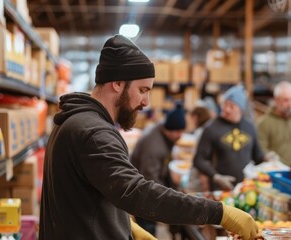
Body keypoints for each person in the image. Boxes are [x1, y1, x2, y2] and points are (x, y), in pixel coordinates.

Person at [39, 34, 258, 240]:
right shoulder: (94, 133)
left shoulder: (73, 121)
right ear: (117, 83)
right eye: (143, 90)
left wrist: (125, 226)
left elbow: (88, 196)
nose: (146, 102)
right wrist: (220, 213)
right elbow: (138, 193)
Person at [193, 85, 265, 191]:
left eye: (232, 106)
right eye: (225, 104)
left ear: (241, 109)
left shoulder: (249, 127)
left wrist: (267, 158)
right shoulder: (211, 128)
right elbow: (199, 159)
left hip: (246, 189)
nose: (226, 109)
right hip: (220, 189)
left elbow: (257, 156)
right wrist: (215, 176)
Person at [130, 102, 187, 236]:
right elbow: (149, 179)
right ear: (169, 129)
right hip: (142, 193)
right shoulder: (154, 147)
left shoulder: (163, 134)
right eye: (178, 131)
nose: (180, 135)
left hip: (149, 184)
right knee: (147, 230)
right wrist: (169, 197)